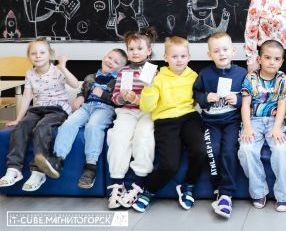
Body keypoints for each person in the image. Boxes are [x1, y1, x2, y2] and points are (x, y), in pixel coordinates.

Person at [34, 48, 128, 189]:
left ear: (121, 69)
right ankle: (57, 159)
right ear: (104, 57)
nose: (110, 62)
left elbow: (118, 101)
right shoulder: (91, 77)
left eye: (116, 62)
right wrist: (80, 97)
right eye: (109, 58)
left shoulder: (118, 80)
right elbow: (83, 90)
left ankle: (91, 166)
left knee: (93, 125)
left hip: (104, 109)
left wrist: (103, 94)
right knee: (68, 123)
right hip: (86, 107)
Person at [132, 37, 206, 212]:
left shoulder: (194, 76)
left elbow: (198, 99)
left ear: (189, 57)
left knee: (200, 151)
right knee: (170, 165)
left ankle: (188, 185)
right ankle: (149, 190)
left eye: (183, 56)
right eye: (174, 56)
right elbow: (147, 107)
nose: (179, 60)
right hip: (165, 121)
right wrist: (148, 87)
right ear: (166, 58)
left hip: (189, 117)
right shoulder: (158, 78)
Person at [0, 38, 72, 191]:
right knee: (21, 127)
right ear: (29, 57)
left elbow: (75, 84)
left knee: (41, 128)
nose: (38, 56)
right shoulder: (30, 74)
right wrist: (18, 119)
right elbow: (27, 98)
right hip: (38, 109)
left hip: (57, 109)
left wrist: (63, 68)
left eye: (42, 52)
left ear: (50, 54)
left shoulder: (57, 71)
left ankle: (38, 172)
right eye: (33, 53)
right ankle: (14, 169)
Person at [193, 32, 247, 219]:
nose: (221, 53)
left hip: (232, 121)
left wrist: (238, 99)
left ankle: (226, 193)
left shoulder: (241, 73)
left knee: (229, 151)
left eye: (225, 49)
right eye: (216, 51)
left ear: (233, 51)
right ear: (210, 55)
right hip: (211, 122)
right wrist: (205, 98)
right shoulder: (205, 74)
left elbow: (249, 97)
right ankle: (218, 187)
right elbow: (196, 94)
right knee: (213, 149)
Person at [105, 27, 157, 209]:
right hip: (127, 111)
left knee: (143, 137)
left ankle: (138, 184)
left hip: (147, 112)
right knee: (118, 137)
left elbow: (155, 98)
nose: (135, 52)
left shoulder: (153, 71)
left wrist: (137, 97)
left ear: (149, 51)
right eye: (131, 49)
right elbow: (115, 99)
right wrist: (122, 97)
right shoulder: (123, 71)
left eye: (139, 48)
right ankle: (117, 183)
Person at [238, 39, 286, 212]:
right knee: (246, 149)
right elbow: (245, 104)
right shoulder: (251, 78)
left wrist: (277, 128)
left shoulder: (282, 78)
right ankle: (258, 191)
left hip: (275, 121)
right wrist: (247, 127)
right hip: (254, 120)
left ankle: (282, 196)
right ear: (259, 59)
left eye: (276, 59)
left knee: (281, 149)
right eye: (267, 58)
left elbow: (282, 105)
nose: (272, 62)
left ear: (281, 61)